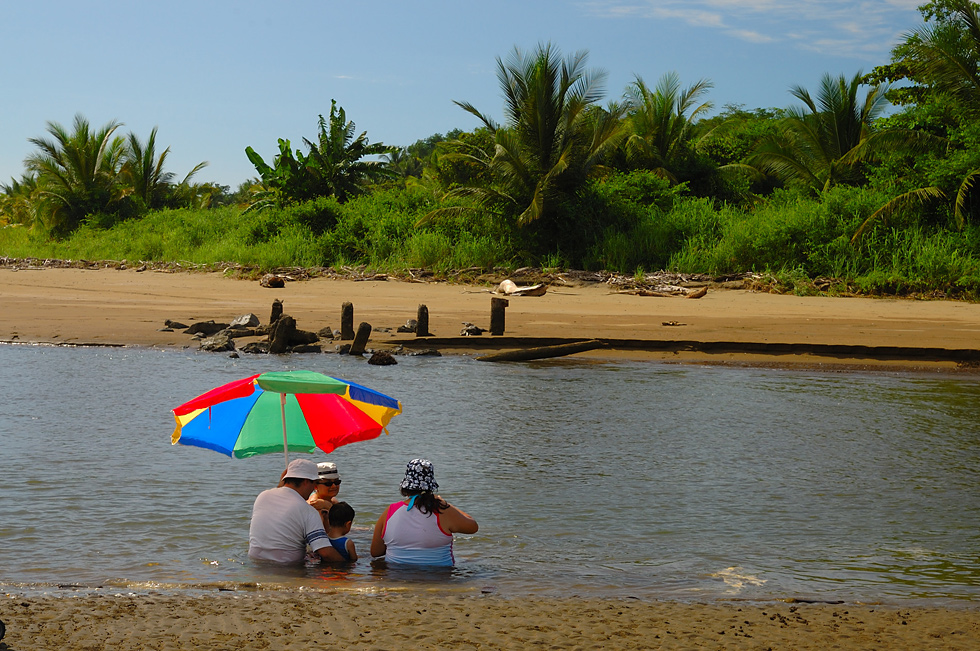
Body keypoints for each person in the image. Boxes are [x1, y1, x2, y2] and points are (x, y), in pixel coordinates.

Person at [370, 458, 478, 566]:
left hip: (396, 576)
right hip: (440, 577)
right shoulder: (442, 510)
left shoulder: (390, 511)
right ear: (430, 486)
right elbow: (473, 526)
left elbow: (376, 552)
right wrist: (445, 504)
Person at [248, 458, 344, 563]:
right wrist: (349, 566)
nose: (314, 488)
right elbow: (325, 552)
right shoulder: (307, 510)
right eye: (314, 483)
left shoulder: (262, 496)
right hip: (288, 567)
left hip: (256, 562)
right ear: (306, 482)